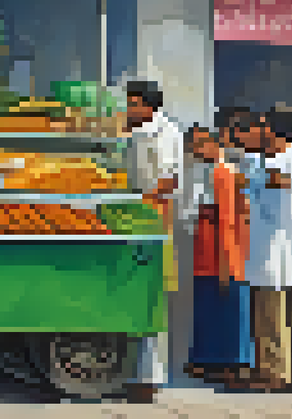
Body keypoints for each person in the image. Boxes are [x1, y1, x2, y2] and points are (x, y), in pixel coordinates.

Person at [245, 107, 292, 393]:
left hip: (275, 248)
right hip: (290, 246)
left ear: (274, 130)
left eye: (262, 127)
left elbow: (283, 183)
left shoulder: (287, 160)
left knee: (271, 316)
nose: (259, 133)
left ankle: (275, 374)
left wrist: (259, 178)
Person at [123, 81, 180, 403]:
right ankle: (132, 373)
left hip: (155, 222)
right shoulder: (131, 132)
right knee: (133, 298)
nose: (130, 109)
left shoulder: (168, 133)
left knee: (153, 301)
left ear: (149, 106)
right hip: (132, 220)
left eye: (134, 104)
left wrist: (143, 199)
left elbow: (170, 182)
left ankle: (150, 377)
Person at [184, 124, 253, 385]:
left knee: (229, 308)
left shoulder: (226, 173)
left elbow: (228, 218)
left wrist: (227, 259)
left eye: (201, 144)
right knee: (208, 307)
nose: (196, 150)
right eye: (194, 145)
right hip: (206, 250)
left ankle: (234, 362)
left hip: (223, 249)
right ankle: (208, 360)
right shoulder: (202, 172)